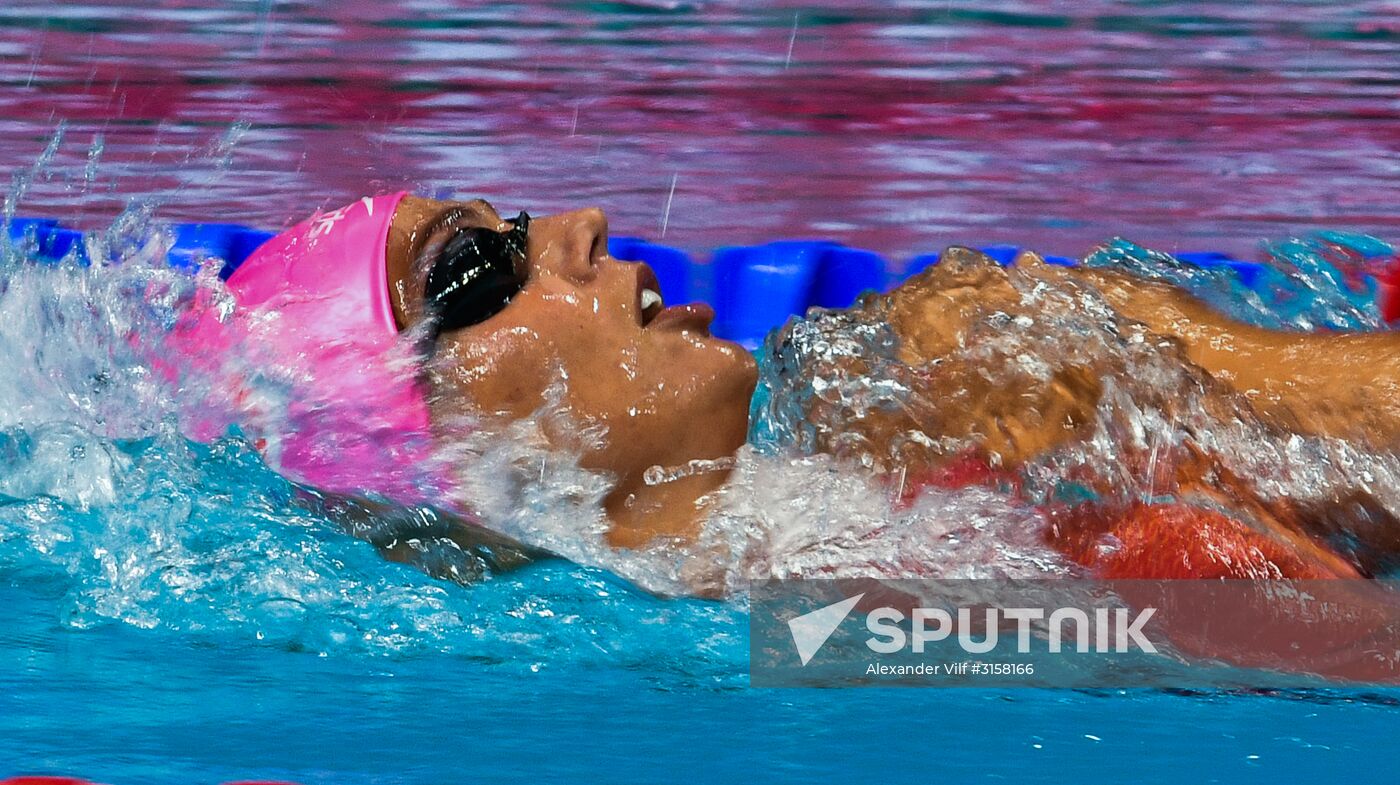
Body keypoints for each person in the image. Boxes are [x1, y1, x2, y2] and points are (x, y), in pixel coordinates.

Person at [208, 192, 1399, 585]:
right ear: (437, 459)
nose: (576, 223)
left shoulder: (839, 504)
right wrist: (1180, 373)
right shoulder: (827, 622)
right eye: (473, 268)